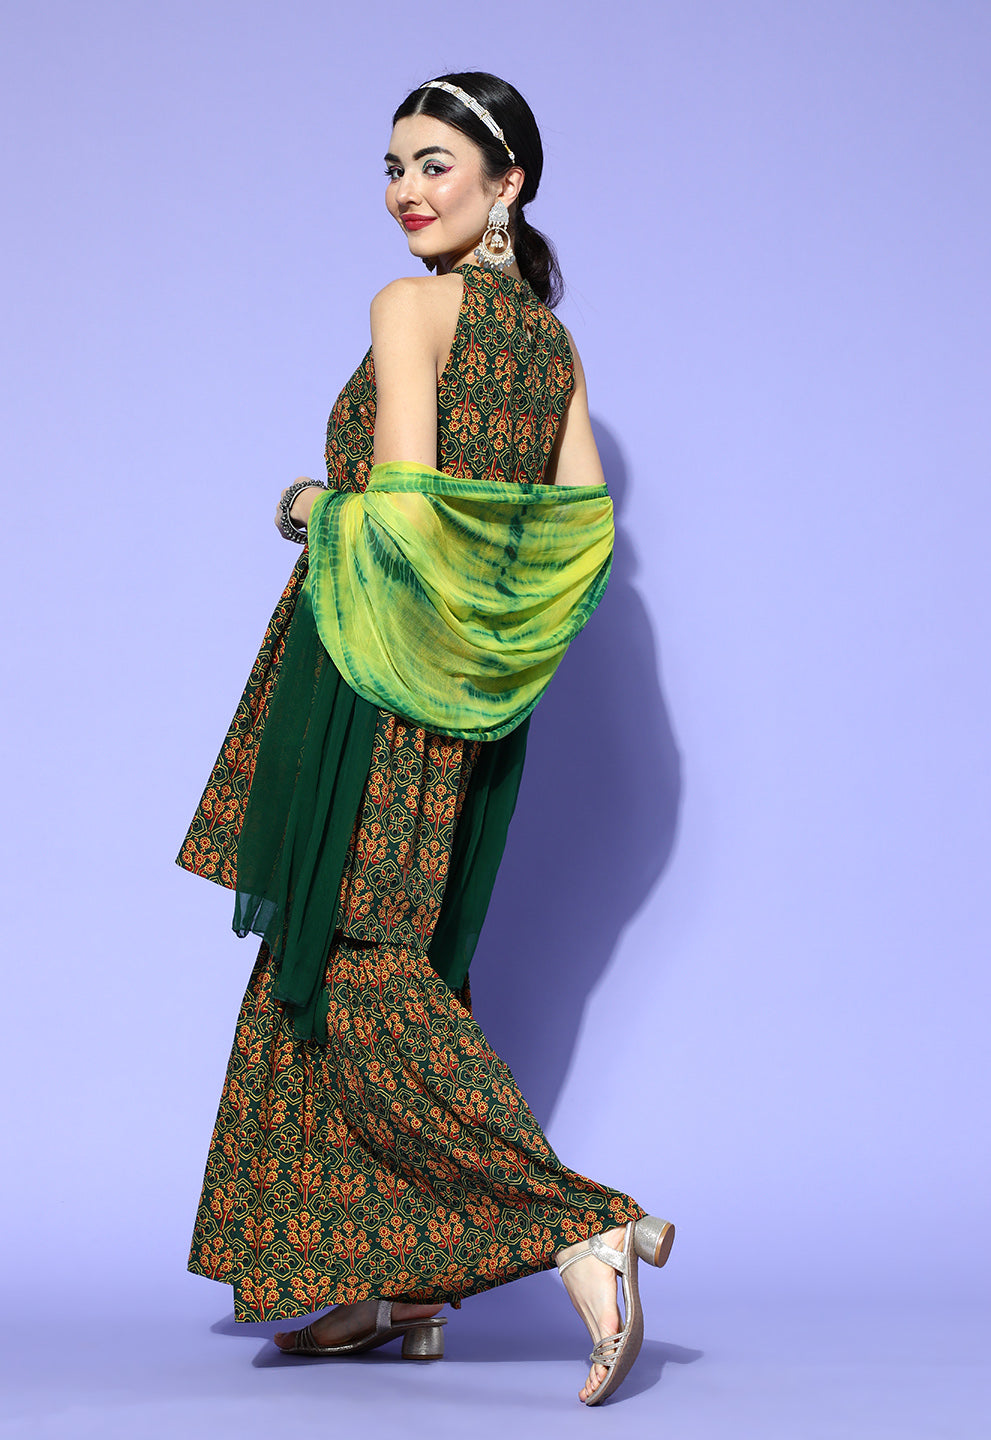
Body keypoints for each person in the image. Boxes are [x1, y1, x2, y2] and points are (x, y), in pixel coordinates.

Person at [178, 71, 674, 1407]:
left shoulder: (409, 308)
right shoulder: (552, 349)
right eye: (393, 165)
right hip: (471, 705)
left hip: (370, 683)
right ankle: (391, 1285)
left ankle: (582, 1224)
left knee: (359, 967)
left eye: (435, 163)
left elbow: (397, 514)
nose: (406, 189)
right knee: (323, 965)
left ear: (507, 184)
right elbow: (580, 543)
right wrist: (488, 657)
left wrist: (308, 506)